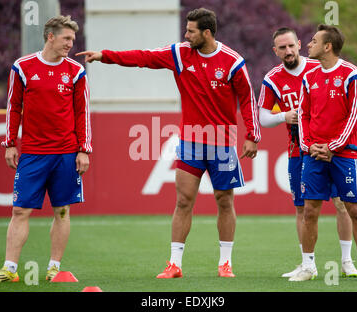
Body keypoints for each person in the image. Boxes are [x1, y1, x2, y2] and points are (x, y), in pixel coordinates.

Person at [76, 8, 260, 278]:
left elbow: (247, 99)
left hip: (222, 143)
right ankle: (174, 264)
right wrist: (106, 56)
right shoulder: (180, 54)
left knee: (224, 201)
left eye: (191, 31)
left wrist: (252, 136)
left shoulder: (232, 62)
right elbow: (144, 57)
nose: (186, 35)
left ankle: (225, 263)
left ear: (206, 33)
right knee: (184, 201)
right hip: (190, 141)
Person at [0, 15, 92, 283]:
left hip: (66, 153)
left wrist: (84, 149)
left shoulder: (76, 71)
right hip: (32, 153)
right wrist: (9, 144)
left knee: (62, 210)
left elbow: (82, 111)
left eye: (73, 39)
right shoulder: (23, 67)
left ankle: (54, 268)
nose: (70, 44)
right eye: (66, 38)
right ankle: (9, 269)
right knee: (19, 210)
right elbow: (13, 107)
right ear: (50, 36)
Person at [257, 27, 357, 278]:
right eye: (282, 47)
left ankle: (347, 261)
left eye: (291, 45)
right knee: (302, 208)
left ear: (299, 44)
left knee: (342, 204)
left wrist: (333, 144)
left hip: (330, 149)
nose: (288, 51)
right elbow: (262, 117)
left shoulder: (318, 68)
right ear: (275, 51)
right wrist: (284, 116)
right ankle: (307, 264)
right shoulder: (272, 78)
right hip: (298, 150)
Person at [291, 24, 357, 282]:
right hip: (314, 154)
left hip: (343, 155)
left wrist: (334, 146)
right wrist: (308, 146)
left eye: (314, 41)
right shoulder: (309, 77)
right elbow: (302, 115)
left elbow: (355, 116)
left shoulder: (352, 75)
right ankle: (308, 266)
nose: (308, 45)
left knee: (355, 209)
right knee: (310, 210)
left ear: (328, 46)